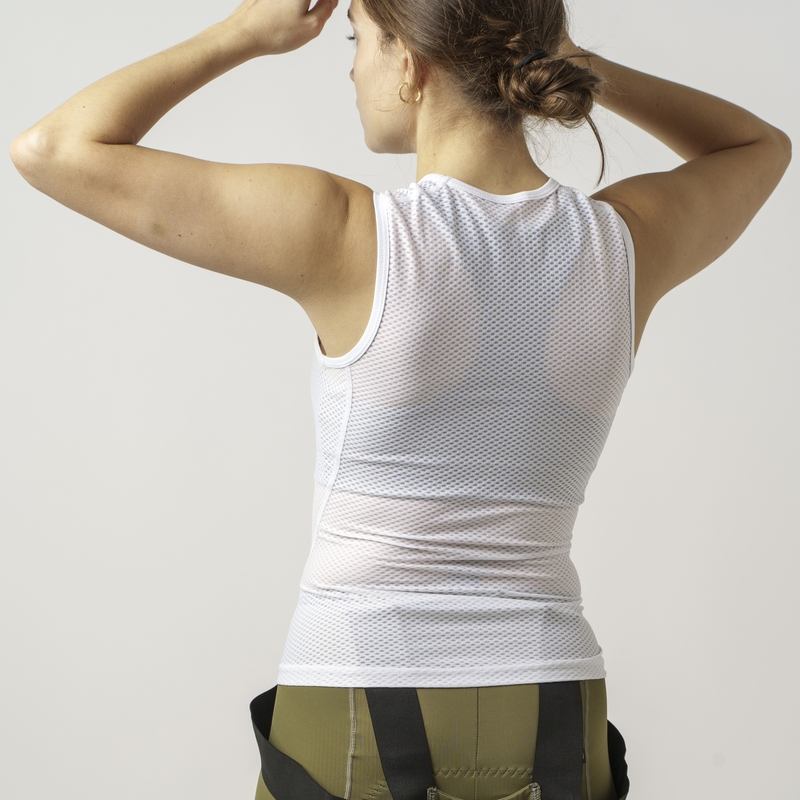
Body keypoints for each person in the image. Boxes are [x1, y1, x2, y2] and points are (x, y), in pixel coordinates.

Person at [10, 0, 791, 798]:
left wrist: (242, 33)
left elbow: (53, 149)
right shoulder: (625, 243)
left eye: (358, 39)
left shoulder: (345, 233)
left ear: (411, 65)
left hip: (358, 684)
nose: (352, 67)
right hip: (553, 696)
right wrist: (568, 58)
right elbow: (759, 146)